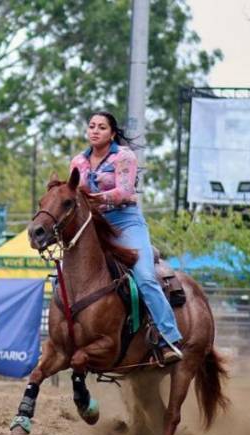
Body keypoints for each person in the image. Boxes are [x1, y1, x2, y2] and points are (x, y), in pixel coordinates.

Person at [69, 111, 184, 364]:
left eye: (101, 127)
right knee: (70, 273)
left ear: (112, 133)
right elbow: (73, 192)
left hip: (126, 221)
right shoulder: (78, 161)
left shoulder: (124, 156)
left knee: (143, 276)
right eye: (91, 126)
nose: (95, 131)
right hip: (95, 223)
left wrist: (94, 198)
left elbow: (123, 192)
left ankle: (169, 337)